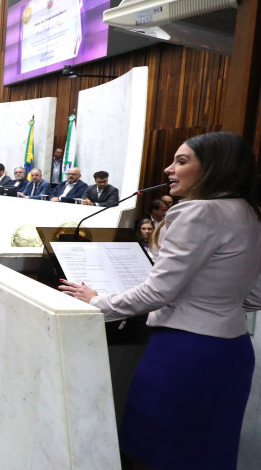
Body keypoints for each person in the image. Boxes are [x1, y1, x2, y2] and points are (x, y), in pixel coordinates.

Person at [59, 131, 261, 470]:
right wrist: (211, 300)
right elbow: (254, 295)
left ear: (214, 169)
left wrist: (97, 302)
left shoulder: (197, 212)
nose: (168, 169)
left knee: (153, 455)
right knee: (206, 455)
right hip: (232, 353)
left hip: (184, 355)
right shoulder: (249, 212)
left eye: (181, 162)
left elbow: (158, 292)